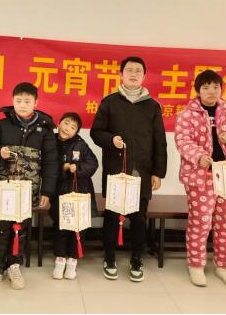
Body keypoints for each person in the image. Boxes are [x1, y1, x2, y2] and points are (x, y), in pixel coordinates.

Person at [91, 56, 167, 282]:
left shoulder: (152, 106)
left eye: (138, 71)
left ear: (144, 76)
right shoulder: (109, 102)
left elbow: (160, 141)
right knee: (112, 217)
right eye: (129, 70)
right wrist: (111, 139)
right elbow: (96, 132)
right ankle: (109, 258)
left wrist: (158, 172)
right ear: (121, 74)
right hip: (116, 169)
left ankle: (136, 259)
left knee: (139, 219)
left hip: (142, 172)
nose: (133, 74)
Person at [174, 70, 226, 289]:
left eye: (216, 87)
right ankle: (196, 265)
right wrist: (200, 157)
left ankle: (224, 267)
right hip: (200, 175)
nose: (211, 91)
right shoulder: (187, 114)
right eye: (206, 87)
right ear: (198, 90)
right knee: (200, 222)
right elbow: (182, 141)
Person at [0, 82, 58, 290]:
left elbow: (51, 162)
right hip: (3, 188)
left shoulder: (45, 129)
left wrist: (47, 191)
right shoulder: (2, 125)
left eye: (27, 101)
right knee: (1, 228)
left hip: (27, 189)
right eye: (18, 101)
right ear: (12, 101)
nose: (22, 105)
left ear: (36, 102)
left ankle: (14, 266)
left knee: (20, 228)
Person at [51, 112, 98, 280]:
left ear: (77, 132)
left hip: (80, 191)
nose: (67, 128)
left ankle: (72, 261)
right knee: (61, 226)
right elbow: (47, 165)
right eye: (66, 123)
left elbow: (93, 163)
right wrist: (62, 168)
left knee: (78, 227)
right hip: (59, 191)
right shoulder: (50, 141)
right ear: (59, 123)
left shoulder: (81, 144)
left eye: (73, 127)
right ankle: (60, 259)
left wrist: (77, 168)